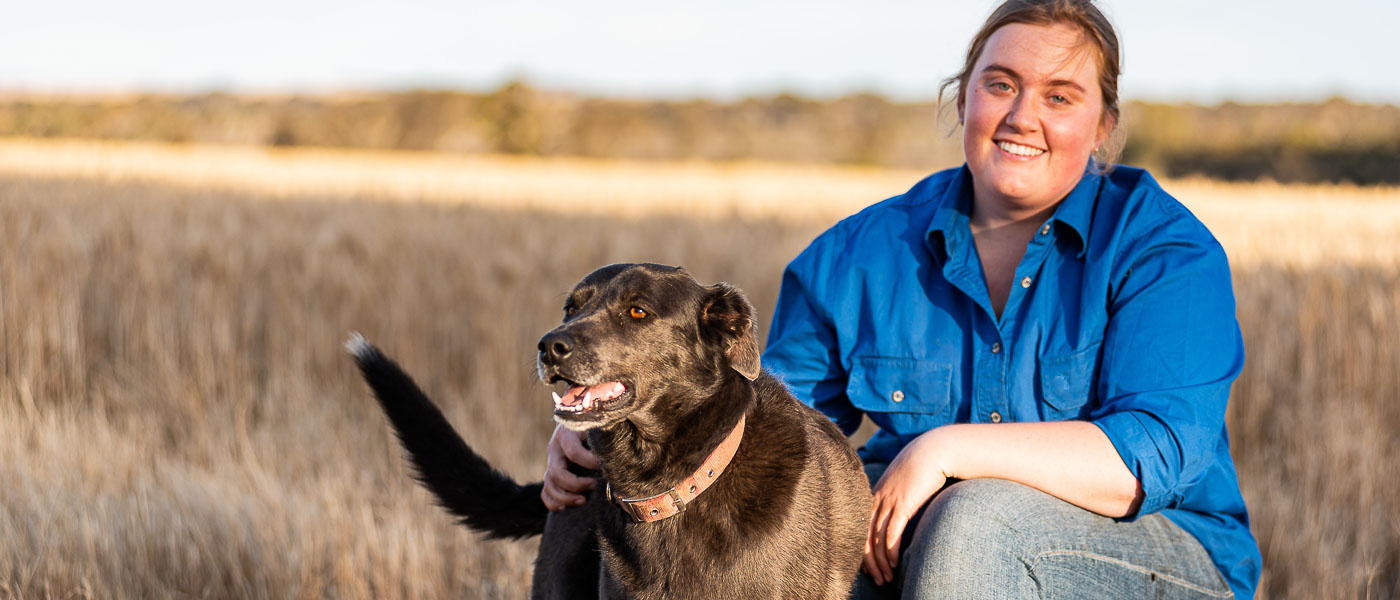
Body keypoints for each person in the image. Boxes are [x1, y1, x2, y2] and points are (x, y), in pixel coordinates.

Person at [544, 0, 1261, 597]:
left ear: (1104, 126)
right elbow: (765, 417)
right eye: (1001, 84)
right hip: (913, 542)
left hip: (1159, 558)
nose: (1022, 116)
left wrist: (945, 450)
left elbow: (1152, 455)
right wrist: (612, 409)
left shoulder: (1163, 251)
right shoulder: (862, 252)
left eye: (1061, 96)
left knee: (974, 521)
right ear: (963, 98)